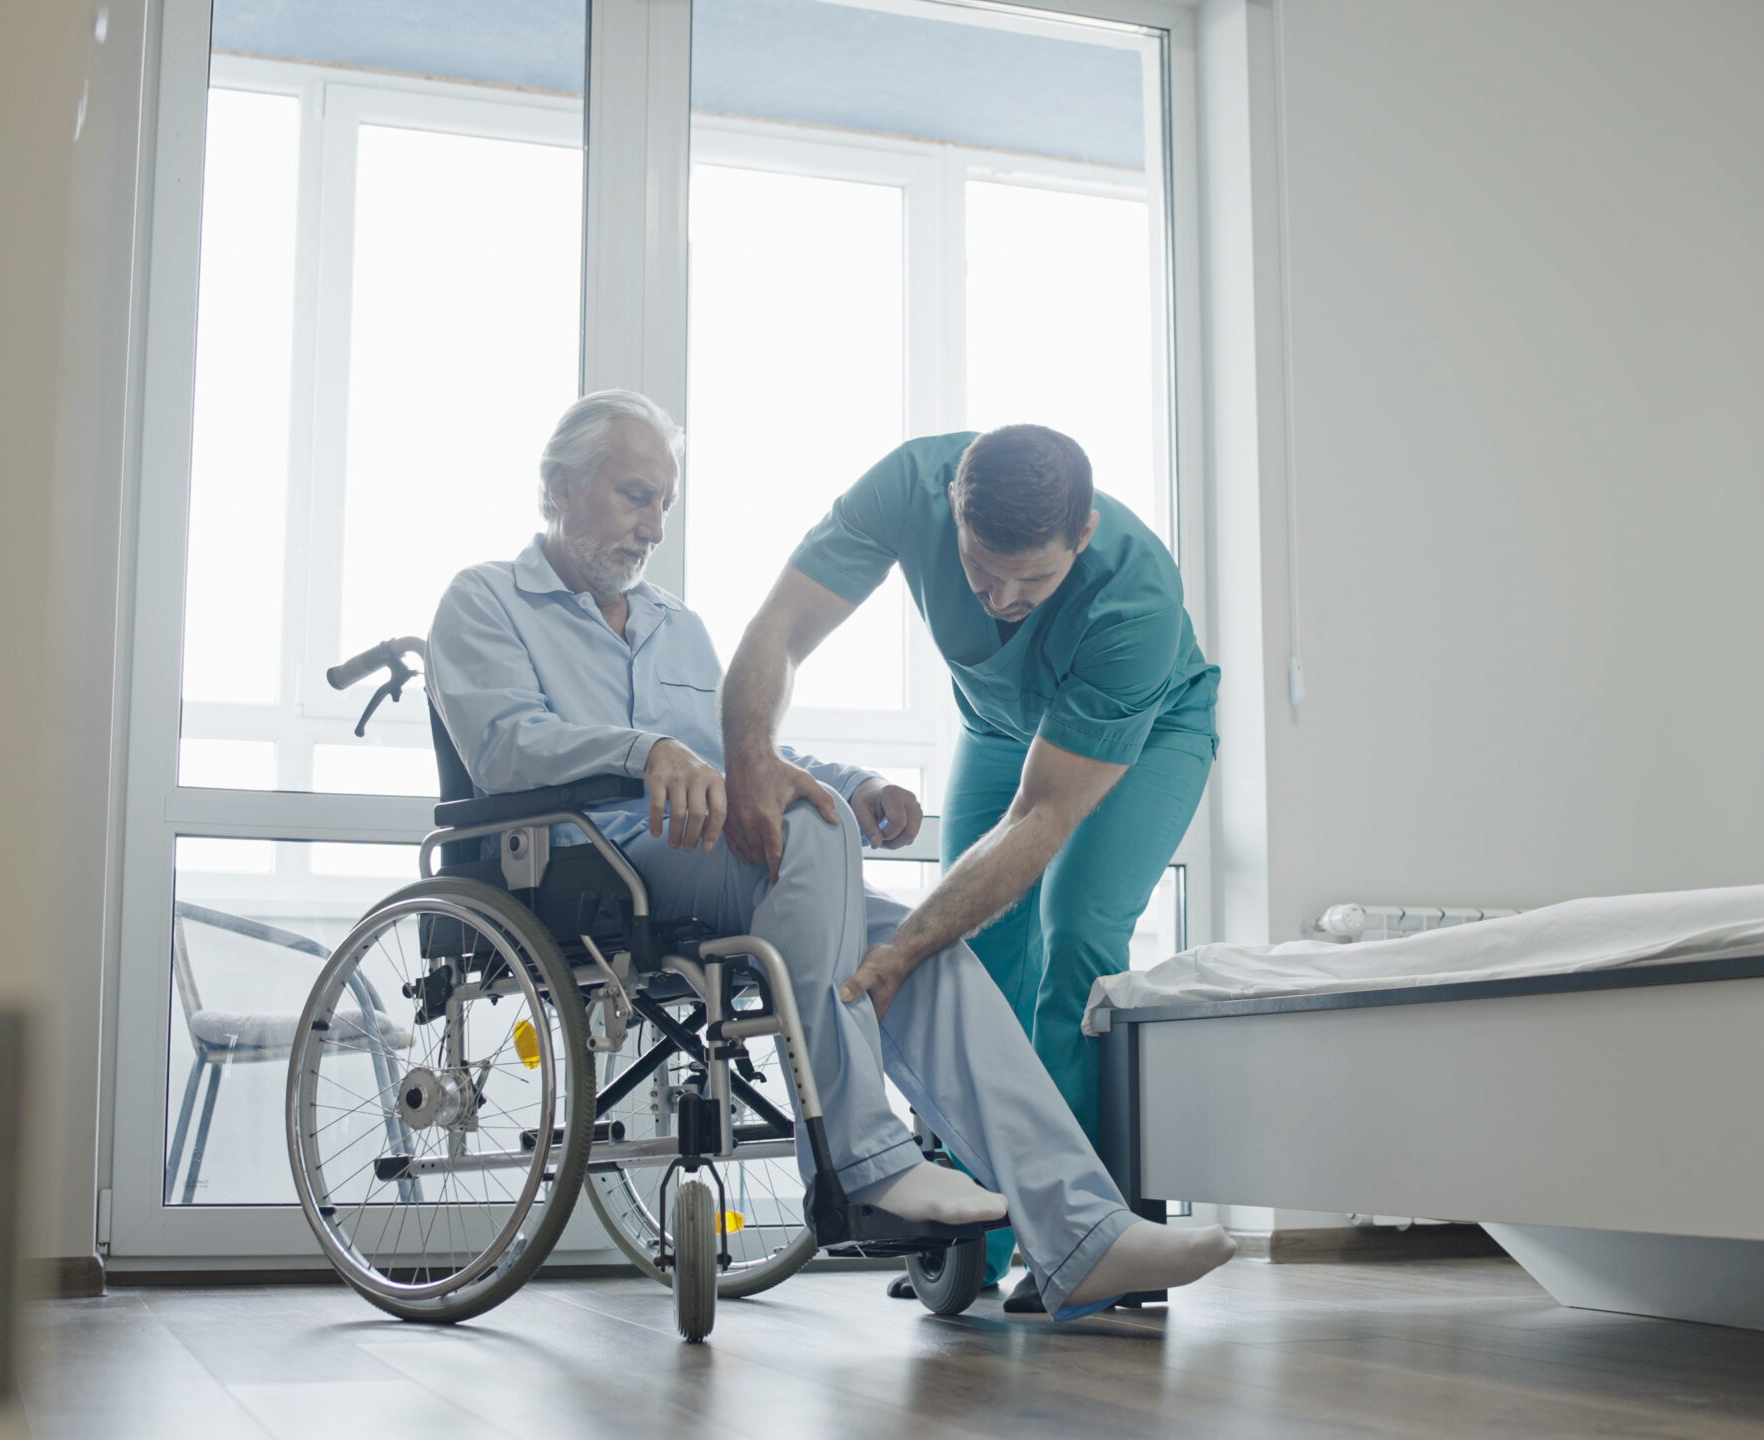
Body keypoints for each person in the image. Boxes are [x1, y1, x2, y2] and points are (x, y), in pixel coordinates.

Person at [424, 390, 1233, 1319]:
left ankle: (1083, 1231)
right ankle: (861, 1163)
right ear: (559, 487)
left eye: (663, 506)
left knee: (926, 950)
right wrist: (642, 751)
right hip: (590, 857)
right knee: (812, 832)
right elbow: (502, 747)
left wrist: (849, 783)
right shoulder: (485, 599)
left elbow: (748, 756)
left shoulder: (673, 626)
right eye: (634, 497)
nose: (652, 527)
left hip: (709, 852)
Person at [721, 426, 1217, 1308]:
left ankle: (1085, 1241)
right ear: (951, 508)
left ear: (1084, 532)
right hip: (999, 726)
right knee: (974, 961)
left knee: (1079, 939)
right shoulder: (909, 484)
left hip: (1147, 734)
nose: (1005, 601)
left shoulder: (1134, 599)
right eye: (983, 572)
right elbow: (780, 629)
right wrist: (751, 756)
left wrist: (901, 948)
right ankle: (975, 1236)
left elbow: (1042, 814)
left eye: (1036, 579)